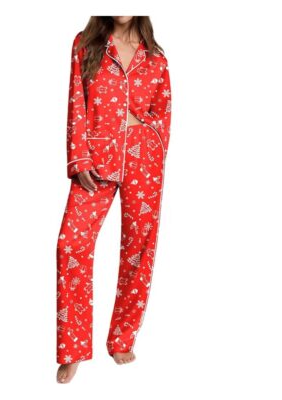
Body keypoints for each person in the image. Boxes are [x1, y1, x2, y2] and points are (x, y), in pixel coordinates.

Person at [56, 16, 172, 383]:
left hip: (143, 160)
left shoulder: (156, 57)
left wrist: (141, 129)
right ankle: (74, 347)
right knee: (70, 245)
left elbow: (163, 115)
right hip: (95, 159)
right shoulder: (85, 44)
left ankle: (122, 338)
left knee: (139, 248)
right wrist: (79, 157)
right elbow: (76, 102)